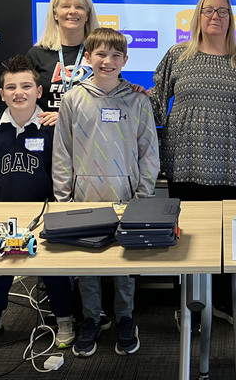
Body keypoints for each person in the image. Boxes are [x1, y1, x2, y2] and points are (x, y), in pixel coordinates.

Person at [148, 0, 236, 322]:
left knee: (226, 237)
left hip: (229, 161)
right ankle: (187, 305)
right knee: (183, 238)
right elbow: (156, 101)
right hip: (183, 160)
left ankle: (224, 302)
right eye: (208, 10)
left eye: (223, 11)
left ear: (231, 18)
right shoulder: (176, 56)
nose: (215, 16)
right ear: (198, 16)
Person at [52, 27, 159, 358]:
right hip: (84, 198)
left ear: (125, 60)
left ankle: (126, 318)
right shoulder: (72, 100)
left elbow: (148, 152)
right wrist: (63, 199)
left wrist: (142, 197)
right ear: (87, 57)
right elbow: (62, 153)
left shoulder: (138, 101)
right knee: (88, 265)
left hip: (126, 197)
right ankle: (92, 318)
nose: (108, 61)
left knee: (125, 264)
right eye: (100, 54)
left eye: (115, 55)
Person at [0, 55, 75, 353]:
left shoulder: (53, 126)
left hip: (45, 216)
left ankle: (64, 319)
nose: (18, 92)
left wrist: (59, 210)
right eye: (11, 87)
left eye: (26, 86)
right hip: (5, 217)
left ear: (39, 91)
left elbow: (65, 172)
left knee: (55, 272)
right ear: (2, 94)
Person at [27, 0, 99, 126]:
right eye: (66, 6)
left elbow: (111, 100)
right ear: (55, 13)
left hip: (89, 137)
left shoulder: (100, 54)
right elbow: (22, 98)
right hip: (46, 135)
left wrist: (134, 91)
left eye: (79, 7)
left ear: (87, 15)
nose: (72, 11)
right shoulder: (37, 54)